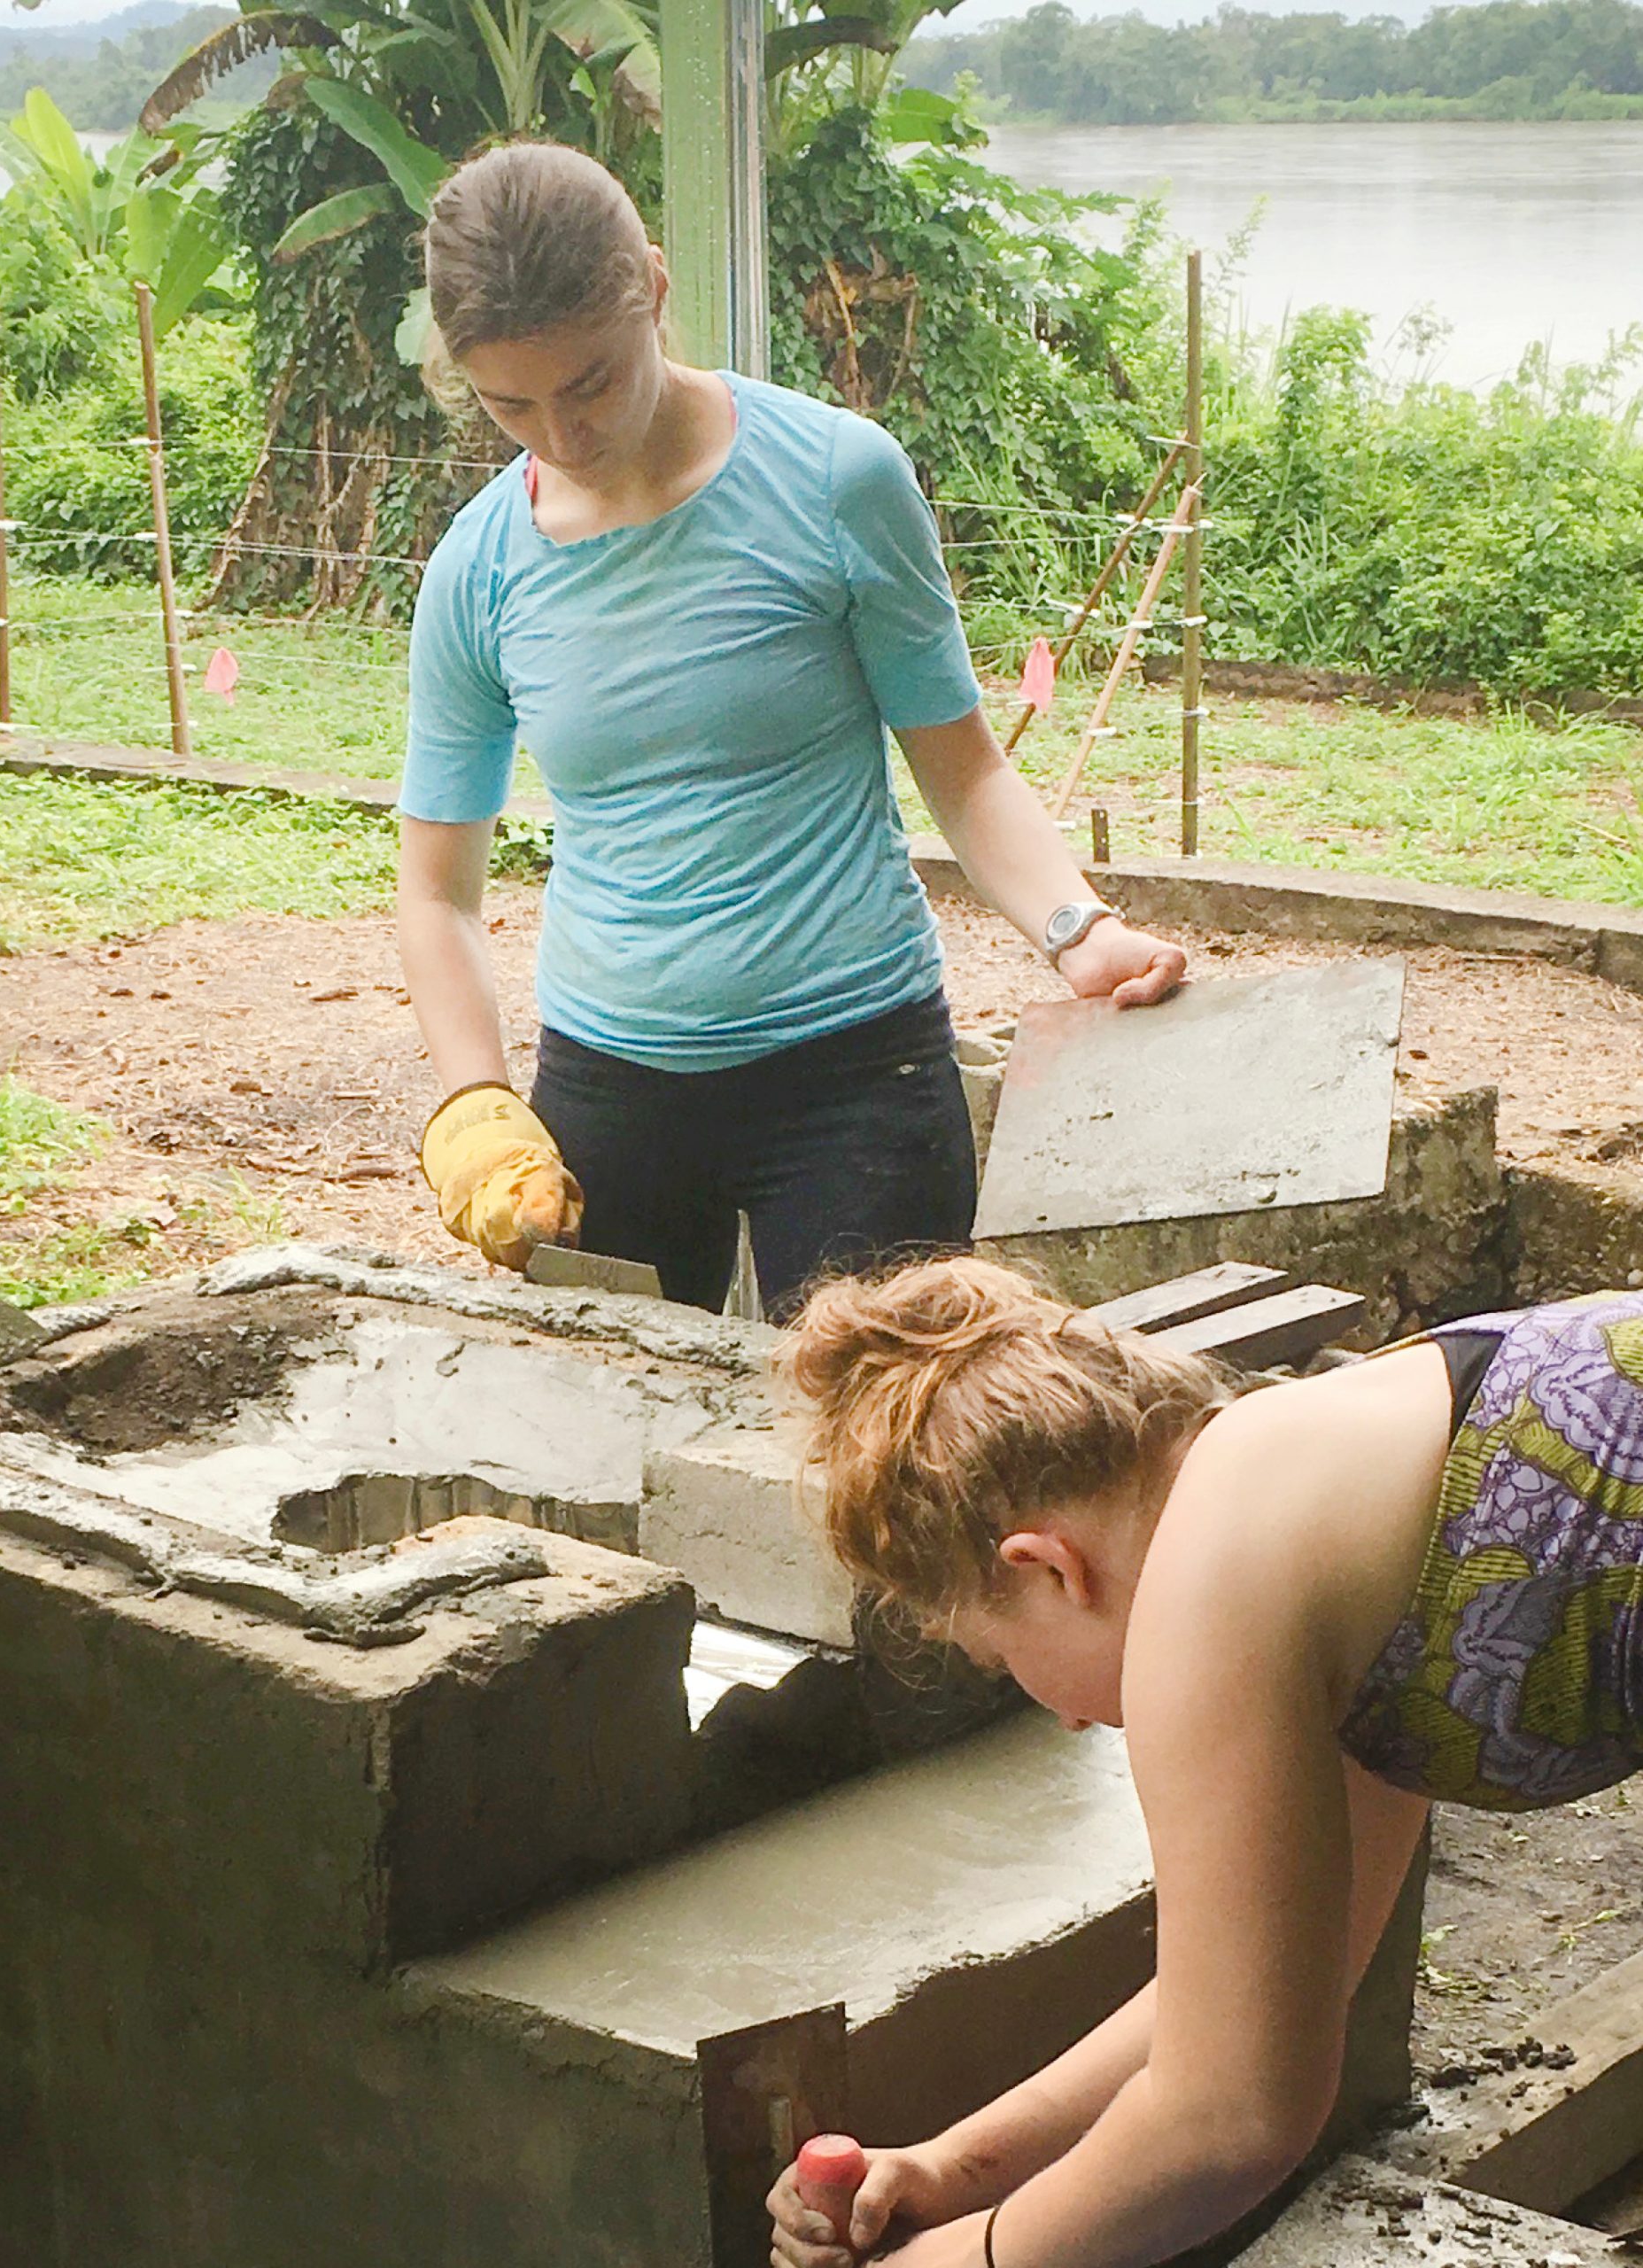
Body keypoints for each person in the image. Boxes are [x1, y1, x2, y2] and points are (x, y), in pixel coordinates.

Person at [396, 142, 1186, 1320]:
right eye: (513, 403)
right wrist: (474, 1106)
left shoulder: (836, 481)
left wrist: (1077, 930)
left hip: (858, 1075)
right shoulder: (478, 571)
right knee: (618, 1453)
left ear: (654, 289)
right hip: (610, 1092)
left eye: (593, 383)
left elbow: (962, 772)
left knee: (887, 1456)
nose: (561, 434)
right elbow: (437, 893)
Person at [763, 1257, 1643, 2268]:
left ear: (1046, 1565)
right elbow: (1243, 2005)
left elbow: (1230, 2116)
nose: (1061, 1721)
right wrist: (958, 2167)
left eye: (1006, 1662)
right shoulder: (1299, 1501)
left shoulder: (1207, 1582)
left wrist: (961, 2263)